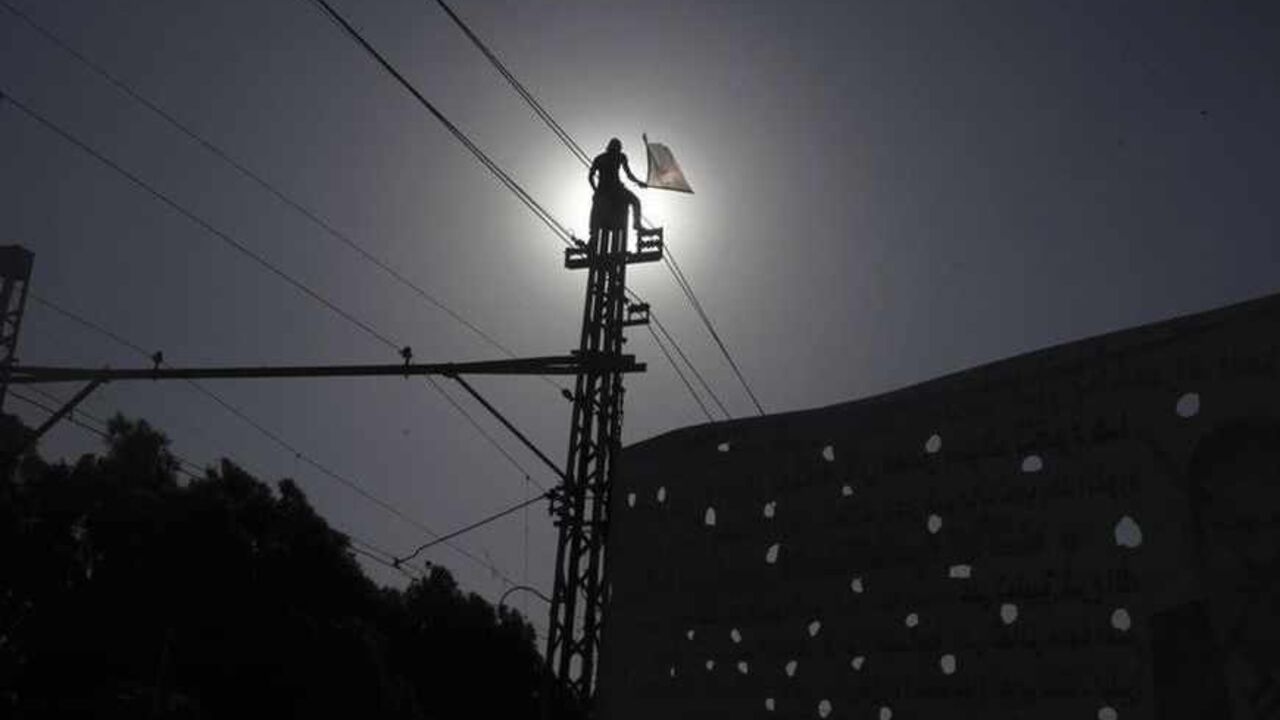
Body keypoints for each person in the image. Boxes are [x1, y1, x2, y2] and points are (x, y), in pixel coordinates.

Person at [589, 138, 650, 233]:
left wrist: (639, 182)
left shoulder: (610, 157)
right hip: (611, 190)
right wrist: (596, 190)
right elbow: (590, 176)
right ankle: (636, 224)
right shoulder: (615, 157)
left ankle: (636, 223)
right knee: (635, 201)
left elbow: (590, 177)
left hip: (611, 190)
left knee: (635, 201)